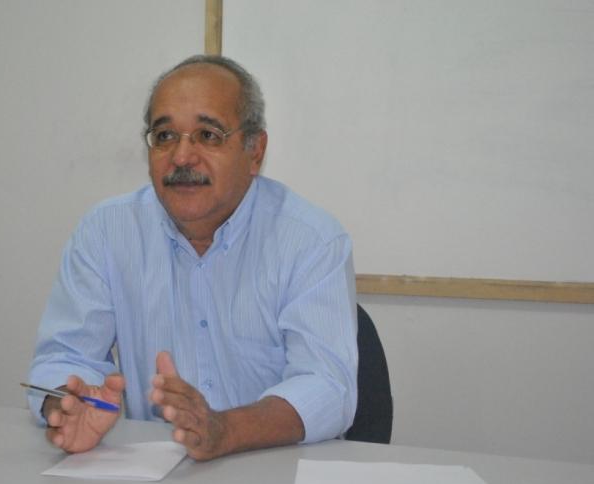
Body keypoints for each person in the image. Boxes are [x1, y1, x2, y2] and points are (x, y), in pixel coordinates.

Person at [28, 55, 358, 461]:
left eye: (208, 135)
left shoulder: (310, 240)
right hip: (155, 475)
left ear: (255, 151)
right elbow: (64, 356)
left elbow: (328, 386)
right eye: (165, 135)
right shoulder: (106, 231)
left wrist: (225, 430)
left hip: (277, 471)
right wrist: (66, 403)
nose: (182, 157)